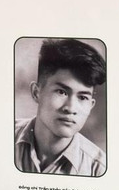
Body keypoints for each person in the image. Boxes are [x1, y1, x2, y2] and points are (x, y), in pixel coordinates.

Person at [15, 38, 106, 176]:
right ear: (36, 92)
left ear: (91, 105)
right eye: (61, 92)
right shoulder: (1, 137)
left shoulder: (98, 169)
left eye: (82, 97)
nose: (70, 108)